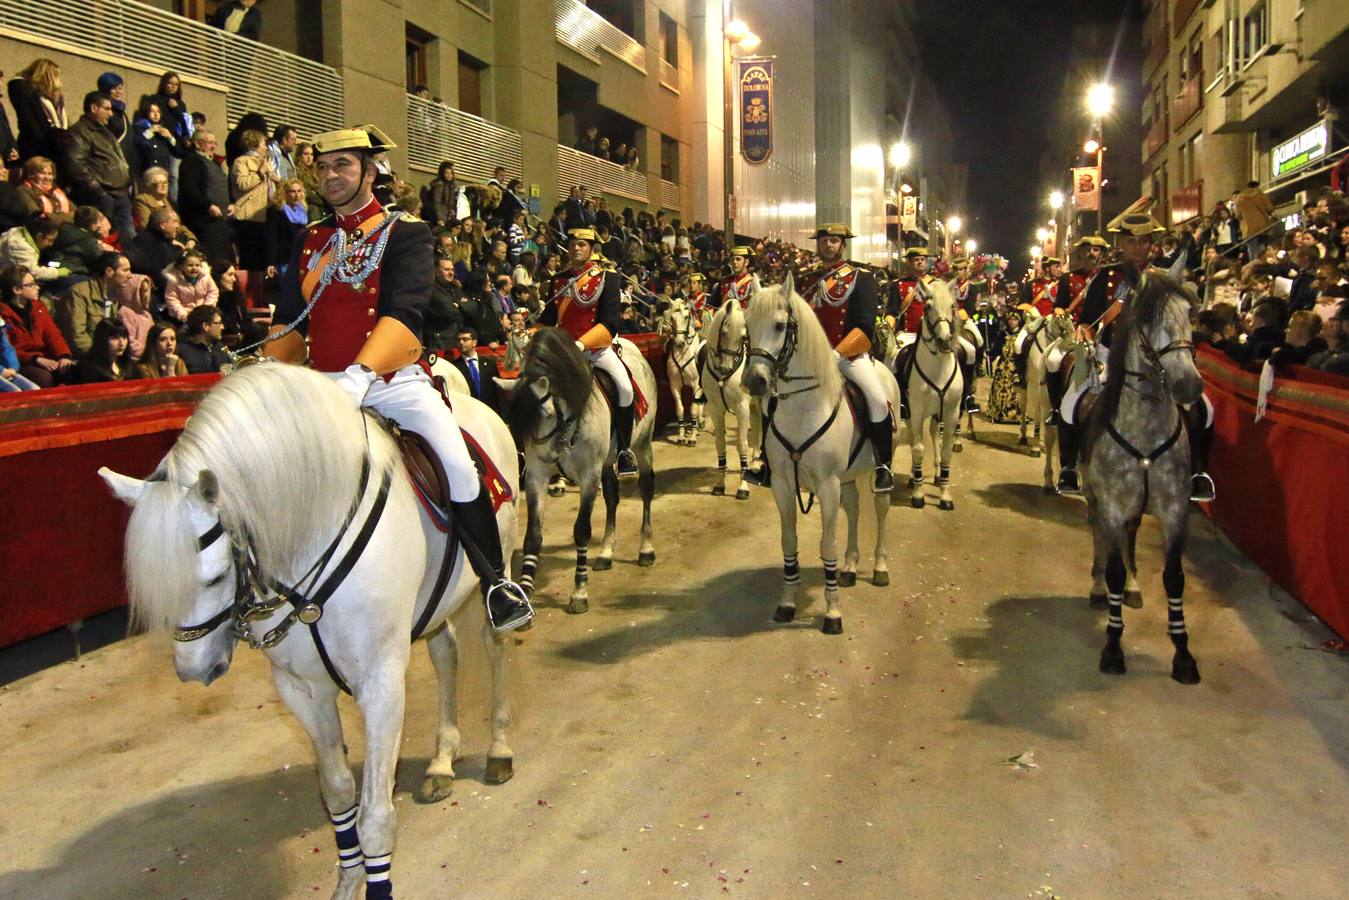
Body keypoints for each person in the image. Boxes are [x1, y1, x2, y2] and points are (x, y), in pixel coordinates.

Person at [262, 123, 532, 635]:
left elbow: (405, 315)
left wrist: (360, 374)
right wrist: (268, 370)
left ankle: (496, 582)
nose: (331, 175)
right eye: (323, 167)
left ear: (369, 171)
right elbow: (291, 321)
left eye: (343, 165)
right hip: (322, 384)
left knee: (457, 463)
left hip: (392, 381)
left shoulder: (406, 232)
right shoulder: (311, 238)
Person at [1054, 207, 1215, 502]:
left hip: (1155, 358)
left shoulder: (1164, 278)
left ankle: (1198, 473)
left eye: (1143, 241)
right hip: (1111, 353)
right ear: (1121, 244)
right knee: (1071, 402)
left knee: (1203, 407)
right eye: (1131, 241)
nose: (1138, 247)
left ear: (1151, 244)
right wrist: (1084, 336)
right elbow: (1088, 320)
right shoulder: (1105, 277)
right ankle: (1069, 467)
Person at [748, 223, 894, 493]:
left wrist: (837, 354)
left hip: (847, 356)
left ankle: (883, 466)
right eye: (824, 240)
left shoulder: (861, 278)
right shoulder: (806, 280)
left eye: (834, 240)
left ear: (843, 244)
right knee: (769, 400)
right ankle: (767, 463)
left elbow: (865, 328)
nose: (828, 245)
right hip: (808, 359)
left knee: (877, 400)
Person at [540, 225, 638, 477]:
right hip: (564, 352)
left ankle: (624, 450)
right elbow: (548, 319)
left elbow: (609, 323)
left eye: (581, 245)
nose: (576, 248)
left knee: (625, 388)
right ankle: (528, 451)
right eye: (572, 244)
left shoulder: (608, 277)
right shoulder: (559, 279)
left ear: (591, 249)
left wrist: (581, 344)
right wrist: (526, 332)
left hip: (595, 349)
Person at [64, 91, 135, 241]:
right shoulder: (80, 132)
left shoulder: (106, 132)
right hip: (101, 196)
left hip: (120, 194)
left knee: (128, 240)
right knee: (102, 239)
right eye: (107, 109)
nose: (111, 114)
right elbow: (76, 166)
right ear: (94, 108)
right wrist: (99, 191)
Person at [0, 264, 75, 386]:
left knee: (73, 370)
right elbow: (7, 349)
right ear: (17, 290)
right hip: (22, 363)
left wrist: (63, 356)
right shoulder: (3, 314)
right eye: (31, 285)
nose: (37, 287)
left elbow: (53, 334)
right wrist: (35, 359)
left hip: (45, 357)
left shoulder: (38, 307)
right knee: (43, 378)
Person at [56, 250, 130, 356]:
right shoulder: (80, 293)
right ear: (109, 271)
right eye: (126, 270)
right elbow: (76, 335)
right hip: (83, 357)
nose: (130, 275)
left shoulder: (114, 296)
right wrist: (99, 357)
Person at [178, 130, 233, 262]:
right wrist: (208, 205)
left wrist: (231, 203)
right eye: (209, 143)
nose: (213, 146)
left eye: (215, 143)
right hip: (205, 221)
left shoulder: (213, 163)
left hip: (220, 220)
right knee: (212, 258)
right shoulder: (191, 162)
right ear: (197, 144)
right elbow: (190, 190)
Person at [230, 128, 278, 273]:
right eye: (264, 144)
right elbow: (242, 184)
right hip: (249, 217)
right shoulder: (241, 162)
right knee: (250, 260)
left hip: (266, 214)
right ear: (253, 144)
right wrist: (260, 173)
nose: (266, 148)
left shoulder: (265, 162)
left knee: (264, 259)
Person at [7, 59, 66, 167]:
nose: (58, 82)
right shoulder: (25, 91)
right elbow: (29, 122)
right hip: (35, 147)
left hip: (53, 147)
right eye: (55, 76)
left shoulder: (52, 98)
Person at [986, 308, 1026, 423]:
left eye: (1015, 320)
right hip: (1003, 365)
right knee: (998, 389)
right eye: (1010, 319)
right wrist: (990, 353)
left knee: (1014, 391)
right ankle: (997, 413)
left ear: (1019, 321)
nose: (1012, 322)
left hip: (1015, 366)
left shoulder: (1022, 335)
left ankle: (1014, 415)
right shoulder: (1002, 334)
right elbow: (997, 349)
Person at [131, 98, 184, 179]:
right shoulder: (139, 128)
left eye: (158, 112)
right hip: (145, 175)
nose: (156, 114)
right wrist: (150, 132)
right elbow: (138, 143)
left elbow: (178, 153)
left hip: (162, 175)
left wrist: (170, 137)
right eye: (152, 111)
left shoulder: (163, 130)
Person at [266, 178, 309, 277]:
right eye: (293, 192)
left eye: (299, 191)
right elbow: (272, 237)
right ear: (285, 193)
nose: (297, 195)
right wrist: (271, 262)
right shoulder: (276, 210)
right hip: (285, 259)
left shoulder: (302, 209)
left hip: (301, 257)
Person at [452, 327, 502, 411]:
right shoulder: (454, 367)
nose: (461, 342)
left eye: (465, 339)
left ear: (474, 342)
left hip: (490, 411)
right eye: (458, 340)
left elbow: (496, 391)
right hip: (467, 411)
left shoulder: (490, 364)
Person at [164, 248, 218, 323]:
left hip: (203, 315)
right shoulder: (174, 280)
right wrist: (182, 314)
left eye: (197, 265)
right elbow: (171, 299)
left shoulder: (205, 277)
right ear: (181, 266)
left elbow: (213, 292)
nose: (194, 268)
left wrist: (205, 310)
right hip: (184, 316)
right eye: (190, 265)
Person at [16, 156, 73, 224]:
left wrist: (54, 217)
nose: (47, 178)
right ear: (31, 174)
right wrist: (68, 217)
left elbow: (77, 213)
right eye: (43, 173)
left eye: (50, 174)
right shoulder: (23, 190)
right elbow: (39, 217)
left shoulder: (56, 191)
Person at [75, 317, 132, 383]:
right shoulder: (88, 369)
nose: (122, 343)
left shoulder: (129, 366)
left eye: (124, 337)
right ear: (102, 340)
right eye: (115, 338)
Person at [177, 304, 229, 374]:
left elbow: (229, 373)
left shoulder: (221, 348)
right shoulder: (182, 351)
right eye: (219, 323)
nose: (223, 327)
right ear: (205, 326)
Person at [116, 271, 154, 359]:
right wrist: (146, 353)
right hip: (134, 359)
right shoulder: (125, 313)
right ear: (131, 292)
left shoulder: (147, 315)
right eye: (142, 291)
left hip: (149, 357)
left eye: (147, 291)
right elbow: (129, 341)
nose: (146, 296)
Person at [422, 161, 469, 227]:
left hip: (446, 217)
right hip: (437, 218)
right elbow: (437, 204)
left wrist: (451, 211)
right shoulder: (439, 186)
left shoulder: (452, 186)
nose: (449, 175)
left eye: (451, 173)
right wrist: (439, 219)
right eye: (446, 173)